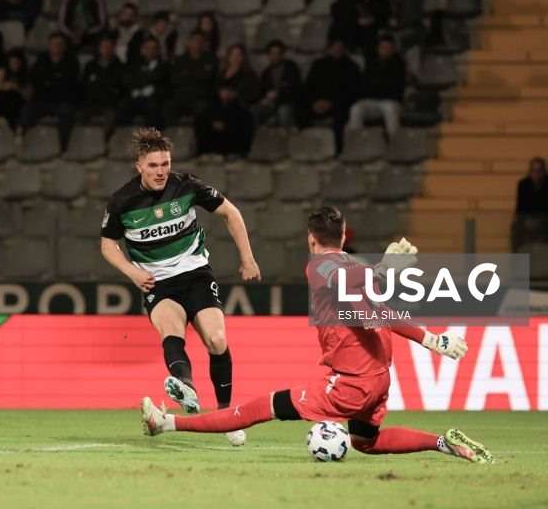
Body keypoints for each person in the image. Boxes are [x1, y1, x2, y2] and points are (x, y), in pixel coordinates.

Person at [141, 206, 494, 465]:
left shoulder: (320, 266)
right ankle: (442, 443)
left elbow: (368, 307)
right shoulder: (358, 268)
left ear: (311, 239)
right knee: (365, 442)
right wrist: (387, 277)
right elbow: (372, 300)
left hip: (350, 384)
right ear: (343, 235)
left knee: (251, 411)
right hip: (378, 379)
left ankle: (166, 423)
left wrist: (428, 338)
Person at [100, 127, 262, 446]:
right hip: (157, 282)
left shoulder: (186, 186)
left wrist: (248, 258)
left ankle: (227, 416)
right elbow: (108, 246)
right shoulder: (122, 201)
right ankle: (186, 387)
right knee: (171, 331)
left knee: (216, 340)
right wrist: (132, 273)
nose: (161, 172)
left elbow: (231, 212)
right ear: (139, 166)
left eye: (165, 164)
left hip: (196, 273)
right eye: (153, 166)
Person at [20, 31, 79, 150]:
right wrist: (52, 81)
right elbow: (33, 78)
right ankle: (26, 143)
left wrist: (47, 82)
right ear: (48, 46)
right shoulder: (42, 59)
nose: (56, 46)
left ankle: (64, 148)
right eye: (54, 44)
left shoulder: (72, 61)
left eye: (60, 44)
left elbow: (68, 83)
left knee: (66, 113)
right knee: (27, 111)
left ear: (64, 46)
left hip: (62, 100)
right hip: (42, 100)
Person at [304, 38, 361, 154]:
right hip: (318, 103)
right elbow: (308, 86)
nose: (337, 49)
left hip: (339, 104)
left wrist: (331, 103)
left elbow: (353, 91)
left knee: (340, 115)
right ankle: (306, 148)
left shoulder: (351, 67)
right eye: (335, 47)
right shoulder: (318, 64)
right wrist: (315, 102)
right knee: (301, 109)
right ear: (329, 48)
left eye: (340, 47)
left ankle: (338, 150)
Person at [348, 35, 406, 139]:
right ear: (378, 48)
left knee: (390, 109)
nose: (386, 51)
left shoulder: (399, 64)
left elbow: (395, 88)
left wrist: (376, 87)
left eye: (389, 48)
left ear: (393, 50)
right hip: (371, 101)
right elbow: (365, 85)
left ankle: (394, 143)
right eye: (383, 48)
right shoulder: (371, 63)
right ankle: (357, 142)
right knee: (356, 109)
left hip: (391, 101)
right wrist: (377, 88)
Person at [164, 30, 217, 126]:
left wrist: (188, 74)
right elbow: (174, 79)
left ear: (204, 43)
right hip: (181, 97)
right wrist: (200, 74)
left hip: (200, 98)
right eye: (195, 41)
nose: (197, 44)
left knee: (205, 110)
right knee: (167, 108)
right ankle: (170, 138)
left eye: (200, 41)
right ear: (189, 42)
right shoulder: (180, 60)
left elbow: (210, 77)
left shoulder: (211, 59)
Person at [115, 36, 169, 130]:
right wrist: (149, 79)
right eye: (147, 48)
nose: (151, 51)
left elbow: (158, 77)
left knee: (155, 111)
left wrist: (140, 77)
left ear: (158, 51)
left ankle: (152, 142)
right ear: (142, 50)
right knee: (122, 108)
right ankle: (122, 140)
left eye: (154, 48)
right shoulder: (134, 64)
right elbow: (127, 79)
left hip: (153, 100)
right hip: (134, 98)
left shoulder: (163, 66)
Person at [194, 80, 253, 158]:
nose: (227, 93)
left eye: (231, 90)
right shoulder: (212, 107)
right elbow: (203, 120)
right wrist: (212, 124)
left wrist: (226, 126)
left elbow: (243, 129)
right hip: (212, 143)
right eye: (224, 90)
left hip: (232, 146)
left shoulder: (242, 110)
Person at [252, 40, 302, 129]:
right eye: (271, 54)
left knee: (283, 111)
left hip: (287, 101)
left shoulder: (291, 67)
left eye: (276, 53)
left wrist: (278, 94)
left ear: (281, 54)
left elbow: (295, 89)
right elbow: (262, 91)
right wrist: (265, 98)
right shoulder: (266, 72)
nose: (274, 56)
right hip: (271, 103)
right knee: (255, 111)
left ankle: (286, 138)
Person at [79, 34, 123, 137]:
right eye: (104, 46)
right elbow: (85, 84)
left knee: (112, 115)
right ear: (99, 49)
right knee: (80, 114)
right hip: (91, 101)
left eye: (109, 47)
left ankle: (104, 142)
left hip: (109, 103)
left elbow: (118, 86)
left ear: (113, 48)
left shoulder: (119, 66)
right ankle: (83, 139)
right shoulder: (90, 65)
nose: (106, 49)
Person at [0, 48, 30, 131]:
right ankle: (2, 120)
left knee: (11, 95)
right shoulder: (1, 73)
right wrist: (4, 87)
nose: (14, 65)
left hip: (17, 103)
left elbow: (29, 96)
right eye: (12, 63)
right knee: (4, 95)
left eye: (17, 63)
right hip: (0, 101)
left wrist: (17, 88)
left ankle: (6, 122)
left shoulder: (26, 76)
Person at [511, 156, 548, 251]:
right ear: (529, 172)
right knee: (516, 227)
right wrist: (527, 221)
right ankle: (517, 260)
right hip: (526, 219)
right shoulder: (523, 184)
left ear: (544, 172)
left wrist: (539, 222)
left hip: (545, 220)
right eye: (533, 171)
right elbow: (521, 207)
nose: (536, 174)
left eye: (539, 171)